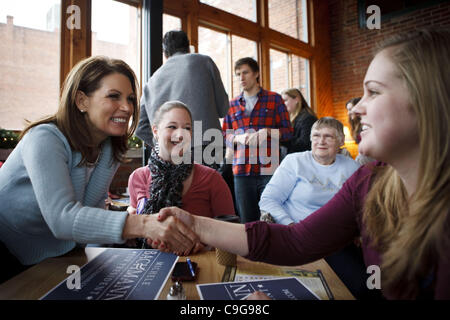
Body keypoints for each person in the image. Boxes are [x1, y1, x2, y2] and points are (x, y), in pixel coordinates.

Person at [156, 29, 450, 299]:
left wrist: (266, 135)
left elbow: (285, 134)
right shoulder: (368, 180)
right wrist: (194, 223)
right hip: (244, 169)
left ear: (427, 98)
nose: (358, 108)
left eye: (373, 91)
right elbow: (295, 240)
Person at [0, 56, 197, 283]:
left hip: (52, 256)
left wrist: (124, 236)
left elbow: (90, 213)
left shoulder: (108, 147)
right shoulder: (44, 138)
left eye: (131, 99)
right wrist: (142, 226)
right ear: (82, 100)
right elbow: (63, 218)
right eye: (114, 96)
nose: (127, 107)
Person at [127, 101, 235, 248]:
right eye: (172, 127)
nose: (180, 134)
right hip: (150, 264)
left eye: (187, 128)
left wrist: (205, 247)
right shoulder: (137, 178)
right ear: (155, 131)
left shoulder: (212, 179)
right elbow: (135, 231)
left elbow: (230, 235)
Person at [136, 30, 229, 168]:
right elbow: (223, 109)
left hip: (171, 151)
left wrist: (165, 142)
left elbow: (140, 127)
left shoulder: (152, 81)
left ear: (165, 53)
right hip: (207, 145)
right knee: (205, 188)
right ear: (188, 47)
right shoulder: (204, 62)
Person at [223, 57, 293, 223]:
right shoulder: (231, 104)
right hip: (241, 171)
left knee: (271, 219)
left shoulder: (274, 99)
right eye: (238, 74)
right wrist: (237, 138)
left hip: (269, 169)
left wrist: (268, 132)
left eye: (245, 72)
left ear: (256, 74)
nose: (241, 78)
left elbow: (289, 132)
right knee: (247, 222)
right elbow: (224, 135)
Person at [259, 117, 359, 225]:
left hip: (338, 233)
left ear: (341, 141)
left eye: (328, 137)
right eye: (316, 136)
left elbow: (362, 203)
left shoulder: (352, 167)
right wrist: (290, 225)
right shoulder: (294, 162)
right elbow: (268, 199)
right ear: (310, 138)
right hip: (296, 228)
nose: (321, 141)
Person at [280, 88, 317, 156]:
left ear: (296, 100)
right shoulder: (289, 119)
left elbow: (305, 144)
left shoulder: (308, 119)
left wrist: (282, 137)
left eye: (285, 100)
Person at [346, 97, 375, 165]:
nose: (348, 113)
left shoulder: (366, 125)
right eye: (347, 110)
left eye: (350, 109)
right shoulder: (356, 126)